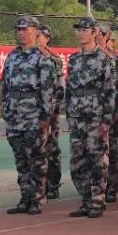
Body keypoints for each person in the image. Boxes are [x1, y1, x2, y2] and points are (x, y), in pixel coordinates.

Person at [2, 15, 56, 215]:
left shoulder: (42, 57)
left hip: (34, 116)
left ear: (35, 31)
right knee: (21, 160)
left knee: (36, 158)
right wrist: (6, 110)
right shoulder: (12, 56)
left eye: (25, 29)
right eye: (19, 29)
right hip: (15, 116)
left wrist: (46, 117)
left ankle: (37, 199)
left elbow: (48, 90)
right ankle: (25, 198)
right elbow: (5, 86)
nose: (21, 33)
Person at [65, 16, 115, 218]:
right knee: (77, 162)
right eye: (78, 30)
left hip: (95, 117)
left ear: (95, 33)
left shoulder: (103, 59)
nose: (80, 33)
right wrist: (68, 114)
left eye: (84, 30)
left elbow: (110, 90)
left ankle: (97, 201)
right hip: (76, 117)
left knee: (96, 160)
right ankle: (86, 200)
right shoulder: (74, 59)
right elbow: (69, 89)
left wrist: (106, 119)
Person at [96, 24, 118, 202]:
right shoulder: (87, 57)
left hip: (114, 112)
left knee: (115, 150)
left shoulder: (116, 59)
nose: (96, 36)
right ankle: (96, 187)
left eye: (99, 34)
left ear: (106, 36)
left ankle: (112, 186)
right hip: (94, 113)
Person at [37, 26, 65, 200]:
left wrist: (53, 110)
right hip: (33, 111)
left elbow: (60, 86)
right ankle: (38, 186)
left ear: (47, 39)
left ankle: (53, 185)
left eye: (40, 35)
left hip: (50, 112)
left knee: (51, 147)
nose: (37, 38)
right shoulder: (29, 56)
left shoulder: (54, 59)